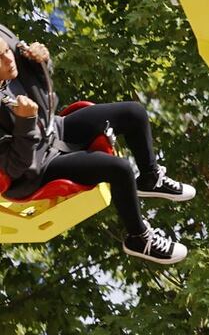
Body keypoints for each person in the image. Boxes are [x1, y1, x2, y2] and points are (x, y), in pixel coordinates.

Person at [0, 27, 193, 263]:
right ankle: (138, 238)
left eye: (6, 51)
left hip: (53, 128)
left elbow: (46, 94)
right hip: (37, 168)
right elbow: (15, 167)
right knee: (120, 169)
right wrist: (26, 122)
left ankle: (150, 177)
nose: (9, 58)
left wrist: (41, 62)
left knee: (134, 113)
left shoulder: (5, 39)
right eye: (0, 59)